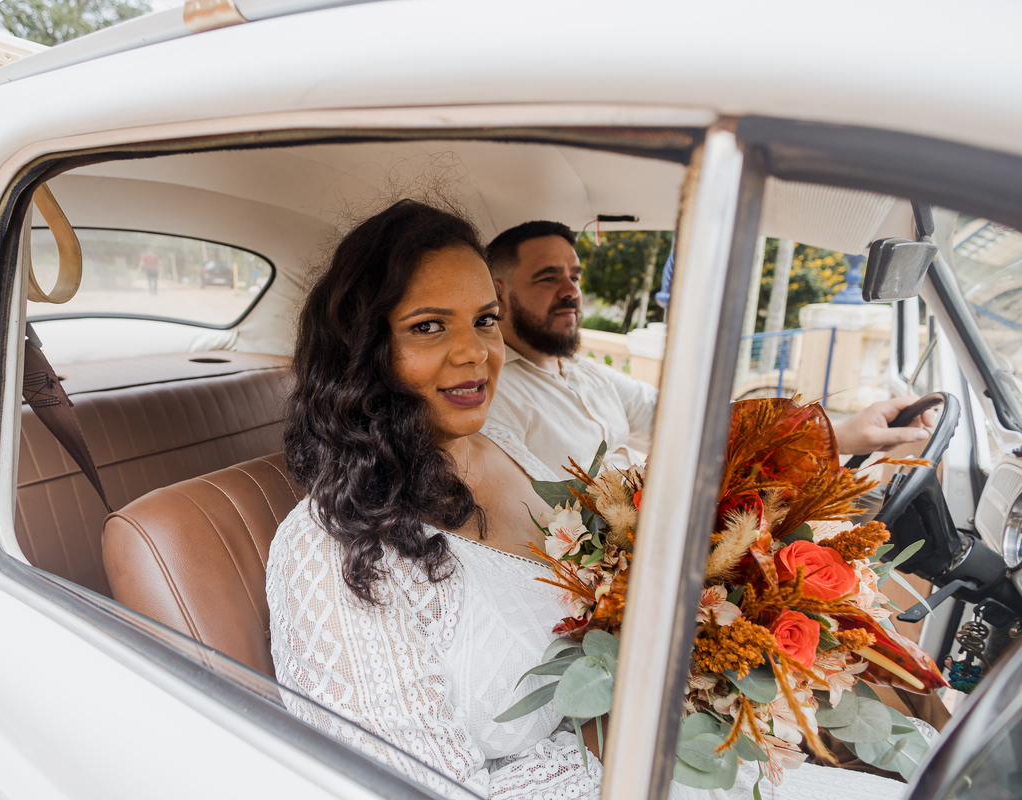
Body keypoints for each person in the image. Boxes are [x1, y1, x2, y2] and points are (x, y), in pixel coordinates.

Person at [267, 199, 911, 800]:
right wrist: (614, 743)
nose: (474, 353)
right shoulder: (334, 550)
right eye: (429, 326)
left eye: (485, 320)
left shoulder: (505, 454)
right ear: (364, 348)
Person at [483, 220, 935, 475]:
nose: (571, 292)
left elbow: (687, 423)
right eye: (548, 278)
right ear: (499, 295)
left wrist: (839, 432)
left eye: (575, 277)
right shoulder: (493, 396)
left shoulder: (582, 371)